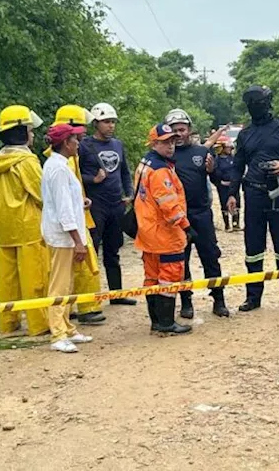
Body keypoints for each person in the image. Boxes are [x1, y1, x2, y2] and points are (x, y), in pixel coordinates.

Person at [228, 86, 279, 313]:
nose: (258, 108)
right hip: (253, 193)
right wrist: (232, 193)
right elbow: (237, 166)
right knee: (253, 247)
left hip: (278, 194)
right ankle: (253, 297)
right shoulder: (244, 134)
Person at [0, 106, 51, 338]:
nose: (33, 135)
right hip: (28, 227)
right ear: (21, 132)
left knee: (7, 280)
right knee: (34, 278)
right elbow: (42, 194)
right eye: (30, 130)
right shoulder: (26, 160)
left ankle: (8, 322)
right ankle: (38, 324)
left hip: (4, 228)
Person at [165, 109, 230, 319]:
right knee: (181, 261)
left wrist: (212, 171)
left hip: (201, 215)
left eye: (182, 129)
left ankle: (218, 300)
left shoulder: (202, 152)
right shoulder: (166, 155)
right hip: (177, 218)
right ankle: (186, 302)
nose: (179, 134)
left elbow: (220, 181)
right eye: (174, 130)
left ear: (189, 130)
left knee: (210, 257)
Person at [45, 105, 106, 326]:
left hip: (74, 220)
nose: (81, 139)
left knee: (71, 273)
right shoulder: (61, 163)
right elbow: (62, 204)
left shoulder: (60, 159)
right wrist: (77, 238)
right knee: (74, 272)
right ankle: (69, 320)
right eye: (77, 135)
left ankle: (68, 318)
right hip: (68, 228)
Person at [40, 122, 97, 354]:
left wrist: (79, 202)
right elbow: (63, 210)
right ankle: (58, 333)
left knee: (68, 283)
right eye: (75, 140)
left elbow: (64, 201)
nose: (78, 143)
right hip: (64, 237)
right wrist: (78, 241)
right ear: (65, 143)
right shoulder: (58, 169)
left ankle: (67, 327)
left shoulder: (58, 165)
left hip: (67, 235)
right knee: (59, 285)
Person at [135, 123, 195, 335]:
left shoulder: (146, 163)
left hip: (148, 232)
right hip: (165, 235)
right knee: (169, 278)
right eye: (165, 142)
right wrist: (186, 226)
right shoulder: (161, 170)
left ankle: (156, 321)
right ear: (154, 143)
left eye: (172, 141)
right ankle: (166, 322)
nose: (171, 146)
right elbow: (169, 204)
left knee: (152, 278)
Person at [79, 102, 136, 306]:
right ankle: (89, 300)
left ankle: (116, 294)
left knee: (113, 250)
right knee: (92, 250)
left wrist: (129, 193)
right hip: (96, 206)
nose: (111, 126)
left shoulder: (118, 145)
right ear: (96, 123)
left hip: (115, 204)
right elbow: (75, 175)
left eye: (113, 122)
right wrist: (92, 179)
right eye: (106, 122)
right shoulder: (84, 146)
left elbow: (124, 171)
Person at [212, 141, 241, 232]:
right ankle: (227, 225)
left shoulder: (232, 158)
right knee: (224, 203)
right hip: (223, 186)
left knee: (237, 203)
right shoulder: (217, 160)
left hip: (233, 185)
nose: (230, 149)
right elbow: (214, 173)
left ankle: (236, 224)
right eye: (228, 147)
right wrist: (220, 182)